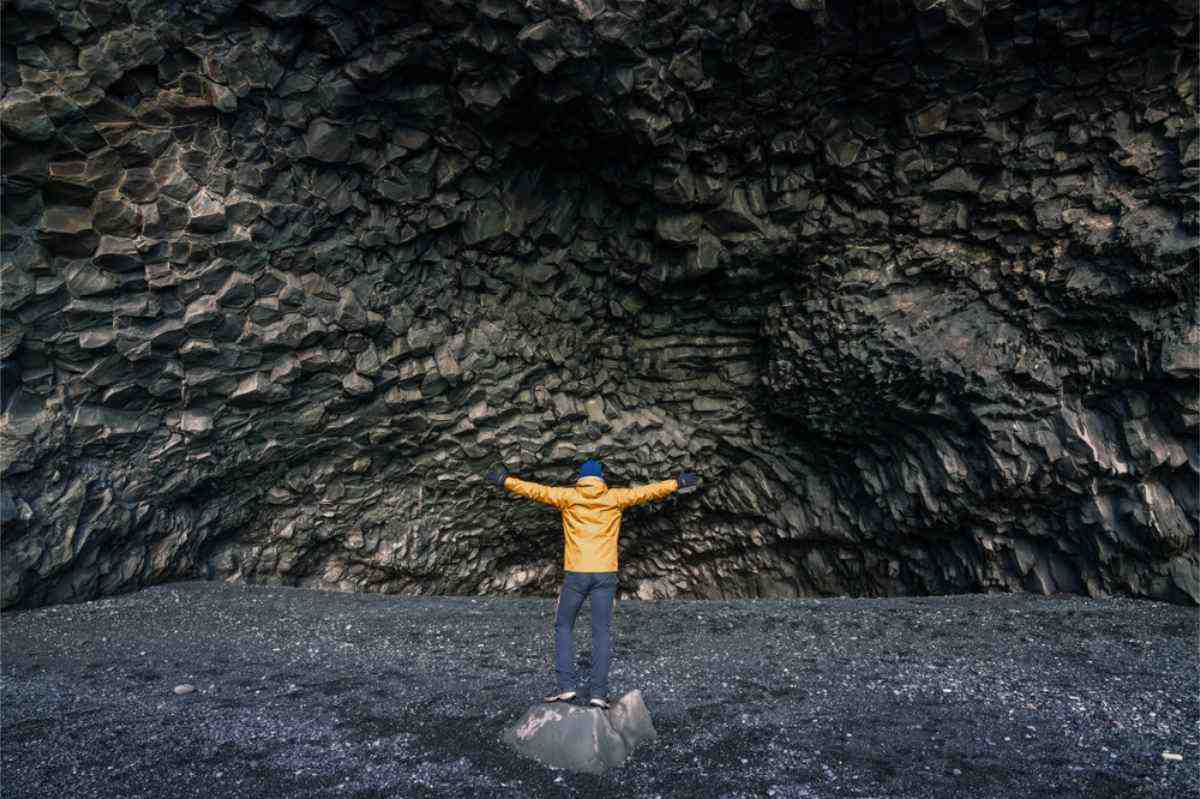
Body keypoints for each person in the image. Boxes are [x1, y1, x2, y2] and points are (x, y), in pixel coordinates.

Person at [486, 458, 699, 710]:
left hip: (576, 574)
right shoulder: (615, 498)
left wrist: (504, 480)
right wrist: (677, 483)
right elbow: (648, 491)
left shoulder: (567, 496)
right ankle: (598, 693)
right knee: (601, 632)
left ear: (581, 478)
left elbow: (534, 490)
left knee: (564, 625)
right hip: (605, 574)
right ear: (601, 479)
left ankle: (567, 688)